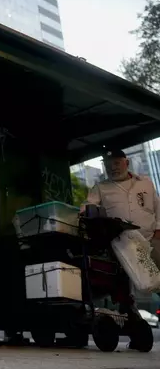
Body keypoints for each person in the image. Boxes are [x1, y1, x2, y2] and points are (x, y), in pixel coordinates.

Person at [81, 148, 160, 347]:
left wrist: (159, 230)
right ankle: (131, 315)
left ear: (126, 163)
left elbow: (158, 207)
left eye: (116, 163)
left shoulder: (146, 183)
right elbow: (87, 207)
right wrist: (83, 213)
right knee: (125, 281)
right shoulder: (100, 187)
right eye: (108, 165)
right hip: (122, 242)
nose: (112, 168)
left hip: (151, 238)